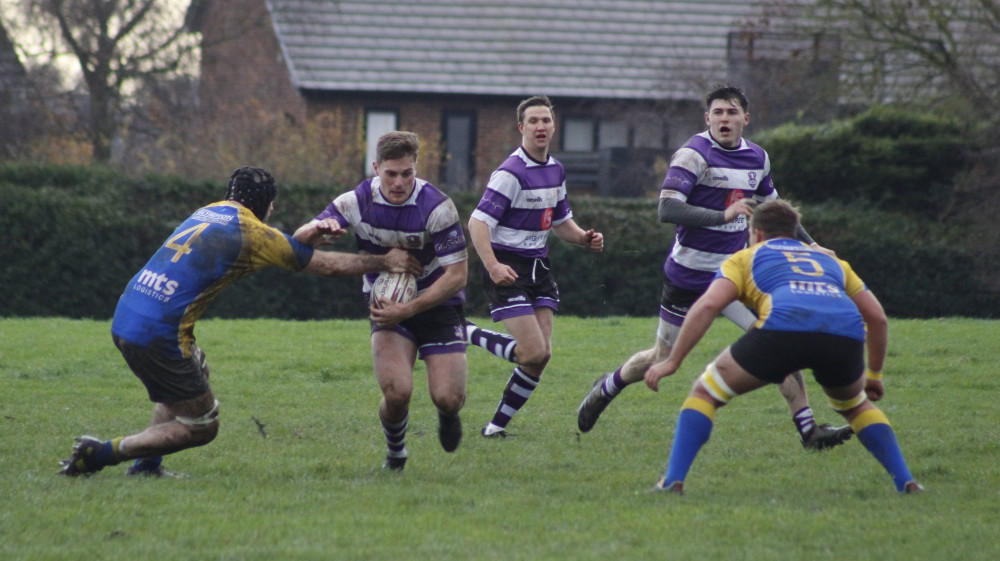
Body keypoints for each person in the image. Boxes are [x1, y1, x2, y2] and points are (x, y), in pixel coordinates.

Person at [58, 167, 419, 477]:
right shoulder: (253, 231)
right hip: (159, 334)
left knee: (197, 367)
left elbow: (291, 246)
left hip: (127, 315)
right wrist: (384, 262)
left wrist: (310, 236)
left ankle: (148, 466)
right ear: (265, 204)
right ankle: (103, 452)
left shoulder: (208, 211)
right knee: (202, 426)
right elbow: (320, 264)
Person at [576, 84, 851, 450]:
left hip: (736, 275)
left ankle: (809, 431)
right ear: (707, 119)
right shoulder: (692, 155)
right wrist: (725, 214)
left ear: (745, 119)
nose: (724, 119)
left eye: (732, 112)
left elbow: (776, 211)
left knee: (780, 342)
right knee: (662, 356)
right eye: (718, 113)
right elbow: (667, 209)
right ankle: (608, 386)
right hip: (688, 276)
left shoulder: (757, 158)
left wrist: (812, 245)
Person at [644, 200, 922, 494]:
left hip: (784, 329)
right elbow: (877, 319)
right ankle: (906, 482)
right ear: (792, 232)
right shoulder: (831, 262)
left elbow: (709, 304)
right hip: (843, 333)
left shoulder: (744, 258)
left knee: (705, 392)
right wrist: (874, 375)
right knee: (855, 406)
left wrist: (672, 362)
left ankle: (673, 481)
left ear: (758, 234)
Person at [296, 131, 469, 471]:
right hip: (387, 305)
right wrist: (317, 230)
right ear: (376, 168)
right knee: (397, 392)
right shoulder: (355, 202)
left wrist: (411, 308)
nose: (399, 182)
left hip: (438, 304)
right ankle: (396, 452)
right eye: (391, 173)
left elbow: (457, 276)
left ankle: (448, 416)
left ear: (416, 169)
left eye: (407, 173)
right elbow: (299, 241)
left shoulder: (438, 207)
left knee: (448, 398)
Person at [467, 95, 604, 438]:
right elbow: (477, 223)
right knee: (533, 351)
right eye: (534, 121)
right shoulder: (510, 174)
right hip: (507, 268)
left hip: (538, 268)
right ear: (521, 128)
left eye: (546, 120)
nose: (541, 126)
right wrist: (494, 266)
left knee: (540, 358)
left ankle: (495, 428)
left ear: (554, 127)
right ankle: (466, 332)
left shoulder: (556, 169)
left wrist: (584, 238)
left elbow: (560, 223)